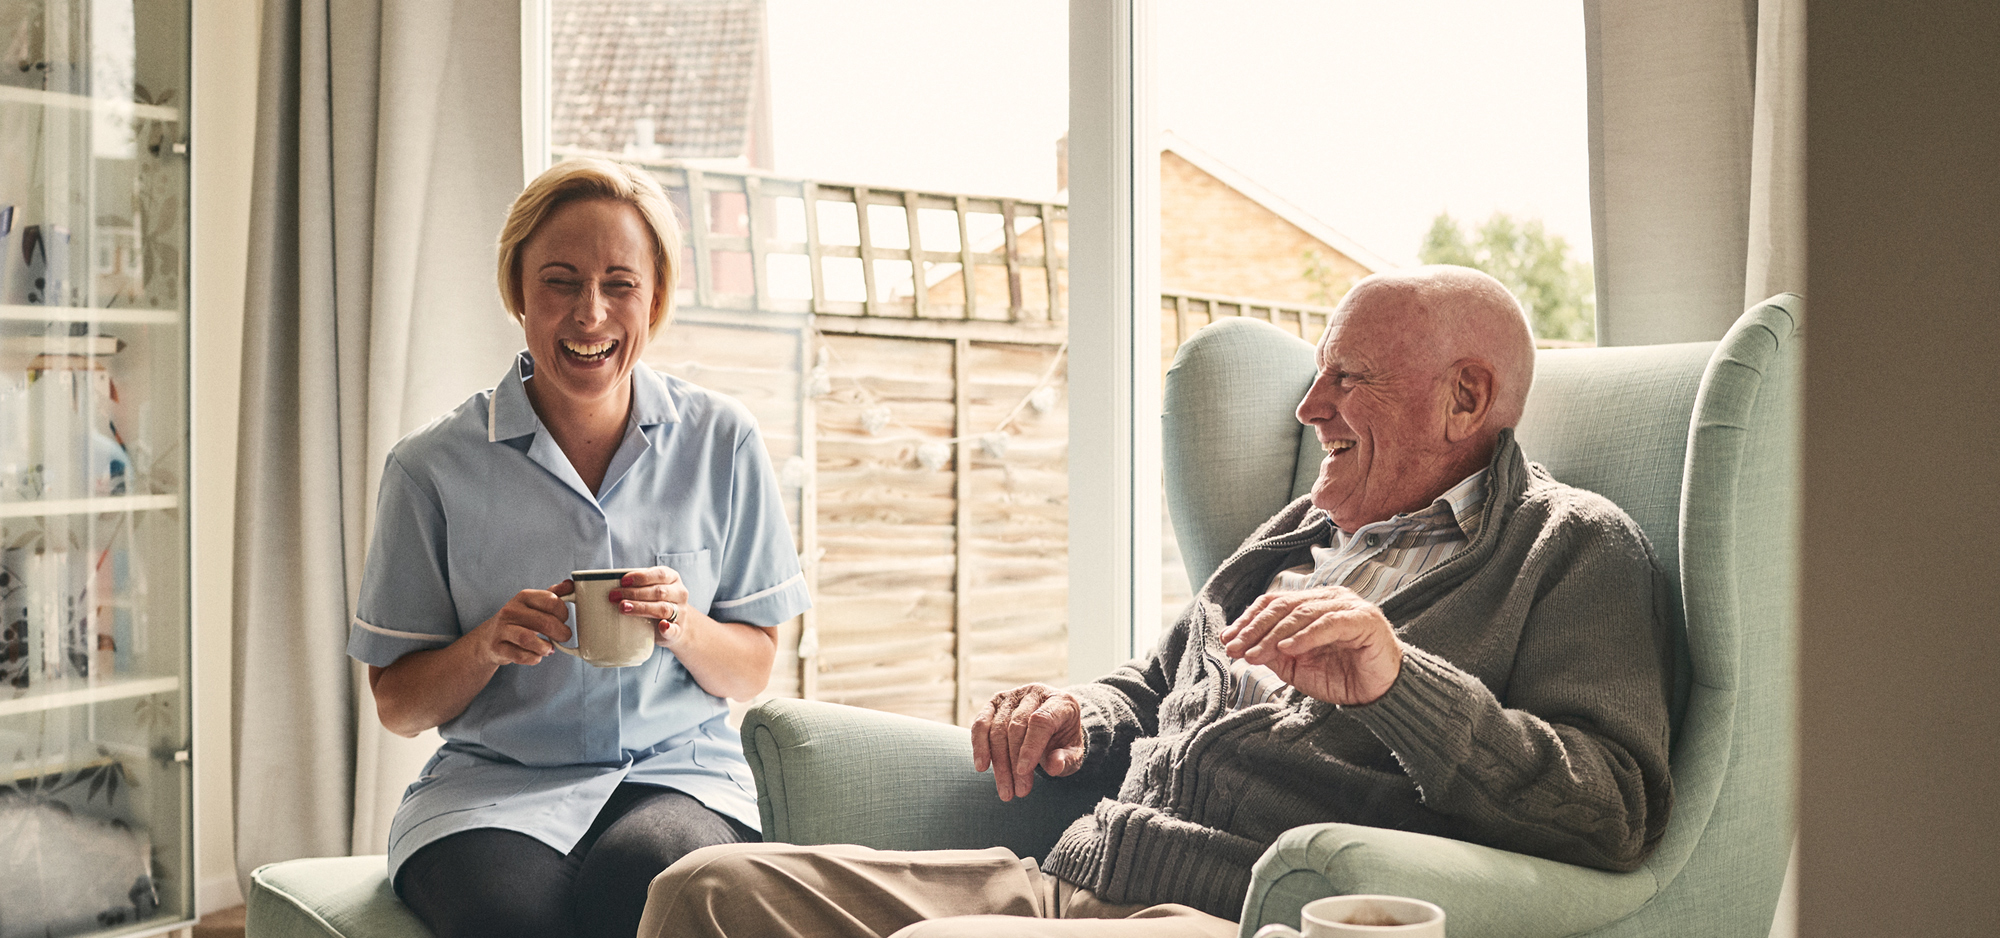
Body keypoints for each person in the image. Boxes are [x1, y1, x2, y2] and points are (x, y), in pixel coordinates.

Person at [641, 266, 1676, 938]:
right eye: (1315, 378)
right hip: (1070, 872)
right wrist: (1076, 714)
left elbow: (1613, 809)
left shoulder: (1568, 548)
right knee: (707, 892)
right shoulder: (1300, 532)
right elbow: (1152, 682)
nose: (1310, 409)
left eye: (1347, 380)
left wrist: (1396, 680)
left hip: (1228, 910)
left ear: (1465, 398)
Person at [345, 157, 811, 938]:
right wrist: (487, 645)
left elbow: (754, 664)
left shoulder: (722, 441)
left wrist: (682, 626)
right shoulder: (430, 469)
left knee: (644, 882)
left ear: (654, 296)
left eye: (619, 284)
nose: (590, 314)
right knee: (509, 915)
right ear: (518, 293)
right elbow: (397, 703)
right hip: (492, 789)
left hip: (680, 779)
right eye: (559, 282)